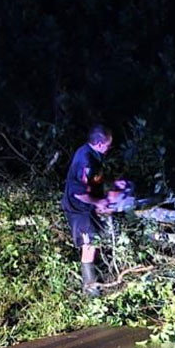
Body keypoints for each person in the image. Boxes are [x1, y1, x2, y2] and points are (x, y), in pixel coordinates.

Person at [62, 124, 124, 296]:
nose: (109, 148)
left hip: (87, 207)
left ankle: (99, 278)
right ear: (99, 144)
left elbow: (94, 179)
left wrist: (112, 184)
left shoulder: (94, 155)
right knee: (88, 245)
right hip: (78, 209)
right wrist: (98, 202)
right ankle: (90, 291)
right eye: (108, 145)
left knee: (96, 240)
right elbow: (78, 193)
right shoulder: (86, 161)